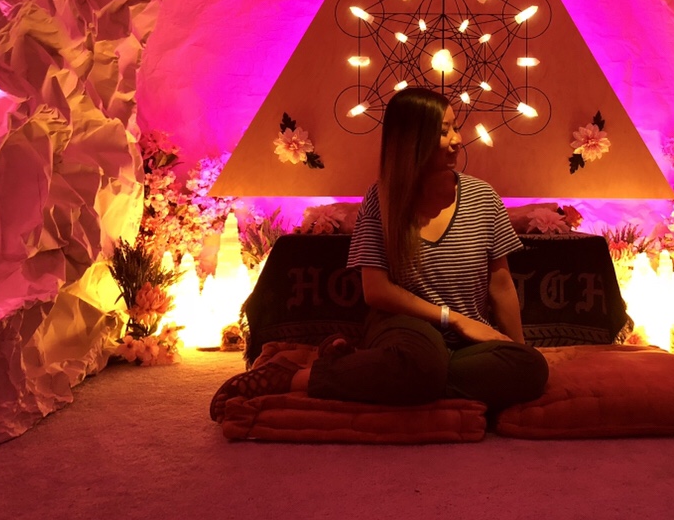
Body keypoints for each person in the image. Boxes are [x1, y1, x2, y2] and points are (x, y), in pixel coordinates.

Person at [210, 88, 548, 421]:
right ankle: (296, 377)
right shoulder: (382, 198)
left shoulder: (482, 197)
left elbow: (501, 284)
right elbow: (377, 290)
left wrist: (516, 349)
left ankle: (377, 371)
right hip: (406, 328)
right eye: (443, 131)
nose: (457, 140)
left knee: (531, 368)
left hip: (466, 341)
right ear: (411, 140)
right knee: (421, 361)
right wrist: (453, 318)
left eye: (456, 127)